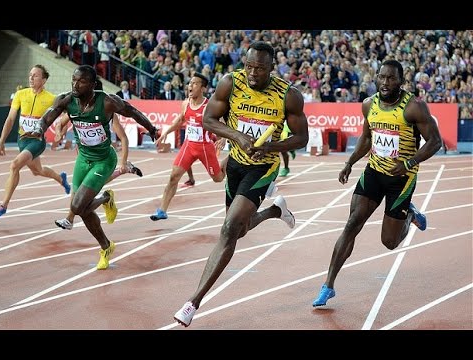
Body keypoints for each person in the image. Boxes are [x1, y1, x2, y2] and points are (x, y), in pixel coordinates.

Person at [173, 41, 309, 327]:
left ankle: (192, 302)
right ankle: (275, 211)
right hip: (235, 164)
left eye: (260, 68)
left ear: (272, 68)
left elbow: (301, 138)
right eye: (249, 66)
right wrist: (238, 136)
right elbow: (209, 119)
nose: (253, 73)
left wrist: (271, 148)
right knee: (239, 231)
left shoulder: (289, 95)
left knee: (228, 229)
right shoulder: (230, 83)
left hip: (262, 167)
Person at [311, 59, 442, 307]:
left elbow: (435, 142)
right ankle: (328, 285)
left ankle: (408, 214)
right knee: (351, 224)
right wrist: (349, 162)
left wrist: (408, 163)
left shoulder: (414, 107)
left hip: (400, 179)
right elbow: (367, 138)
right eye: (381, 77)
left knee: (389, 242)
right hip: (373, 171)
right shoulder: (369, 105)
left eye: (391, 78)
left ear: (401, 81)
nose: (385, 82)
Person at [31, 65, 158, 270]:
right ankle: (106, 245)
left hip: (104, 160)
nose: (75, 84)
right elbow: (49, 115)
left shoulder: (107, 101)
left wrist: (151, 128)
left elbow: (132, 111)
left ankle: (105, 200)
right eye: (73, 79)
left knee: (76, 206)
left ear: (91, 84)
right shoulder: (66, 99)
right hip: (83, 158)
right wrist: (40, 128)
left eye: (80, 81)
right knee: (81, 209)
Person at [54, 79, 143, 231]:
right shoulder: (79, 107)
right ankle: (74, 216)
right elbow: (60, 123)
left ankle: (72, 217)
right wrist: (59, 133)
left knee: (84, 194)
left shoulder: (108, 111)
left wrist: (123, 161)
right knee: (81, 190)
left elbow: (123, 138)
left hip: (102, 156)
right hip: (83, 153)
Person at [0, 65, 71, 219]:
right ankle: (61, 178)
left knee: (14, 165)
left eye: (35, 76)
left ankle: (3, 206)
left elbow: (66, 115)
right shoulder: (20, 94)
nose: (31, 78)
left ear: (43, 80)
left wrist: (60, 132)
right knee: (37, 171)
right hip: (22, 140)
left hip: (37, 142)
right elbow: (10, 119)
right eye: (30, 75)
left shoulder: (51, 98)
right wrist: (1, 141)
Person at [150, 72, 226, 221]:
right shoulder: (185, 103)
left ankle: (228, 160)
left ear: (203, 88)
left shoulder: (209, 105)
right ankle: (162, 210)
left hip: (205, 147)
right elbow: (180, 120)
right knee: (173, 177)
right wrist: (166, 132)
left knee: (218, 178)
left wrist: (222, 138)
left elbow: (221, 122)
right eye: (190, 83)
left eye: (195, 83)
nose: (190, 86)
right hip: (189, 146)